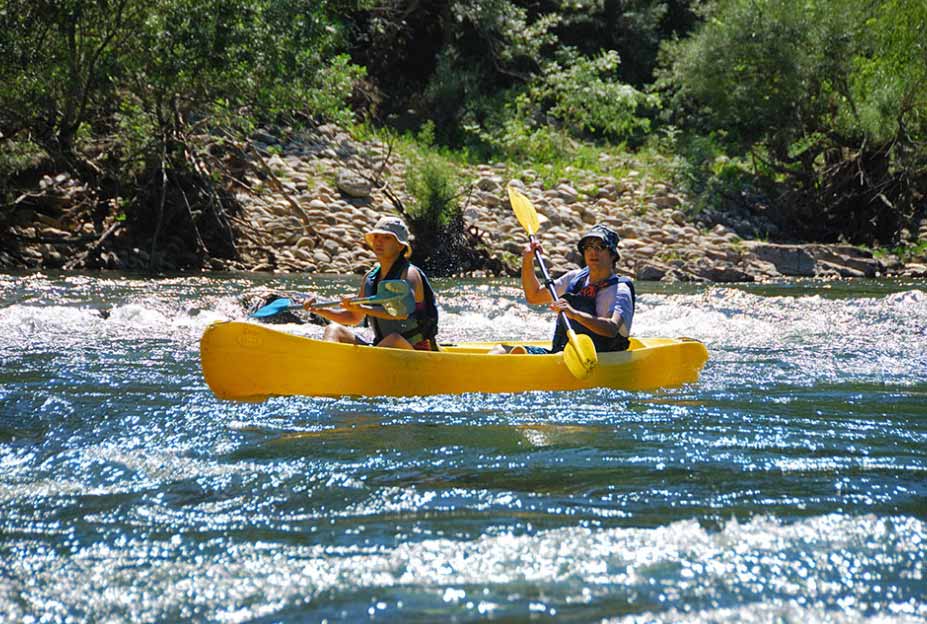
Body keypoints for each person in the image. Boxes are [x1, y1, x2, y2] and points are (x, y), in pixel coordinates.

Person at [303, 215, 440, 350]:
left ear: (400, 246)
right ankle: (327, 361)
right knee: (333, 329)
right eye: (376, 237)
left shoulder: (410, 274)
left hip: (414, 350)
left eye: (386, 238)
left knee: (394, 339)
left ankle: (363, 362)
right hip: (381, 347)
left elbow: (401, 313)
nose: (379, 242)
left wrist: (362, 308)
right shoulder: (370, 277)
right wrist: (320, 310)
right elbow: (353, 317)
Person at [495, 224, 635, 354]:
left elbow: (611, 328)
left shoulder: (620, 290)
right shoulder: (575, 278)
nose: (592, 252)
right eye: (588, 247)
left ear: (612, 255)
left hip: (599, 357)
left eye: (600, 247)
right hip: (563, 355)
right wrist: (527, 260)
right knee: (501, 350)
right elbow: (534, 296)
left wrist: (574, 313)